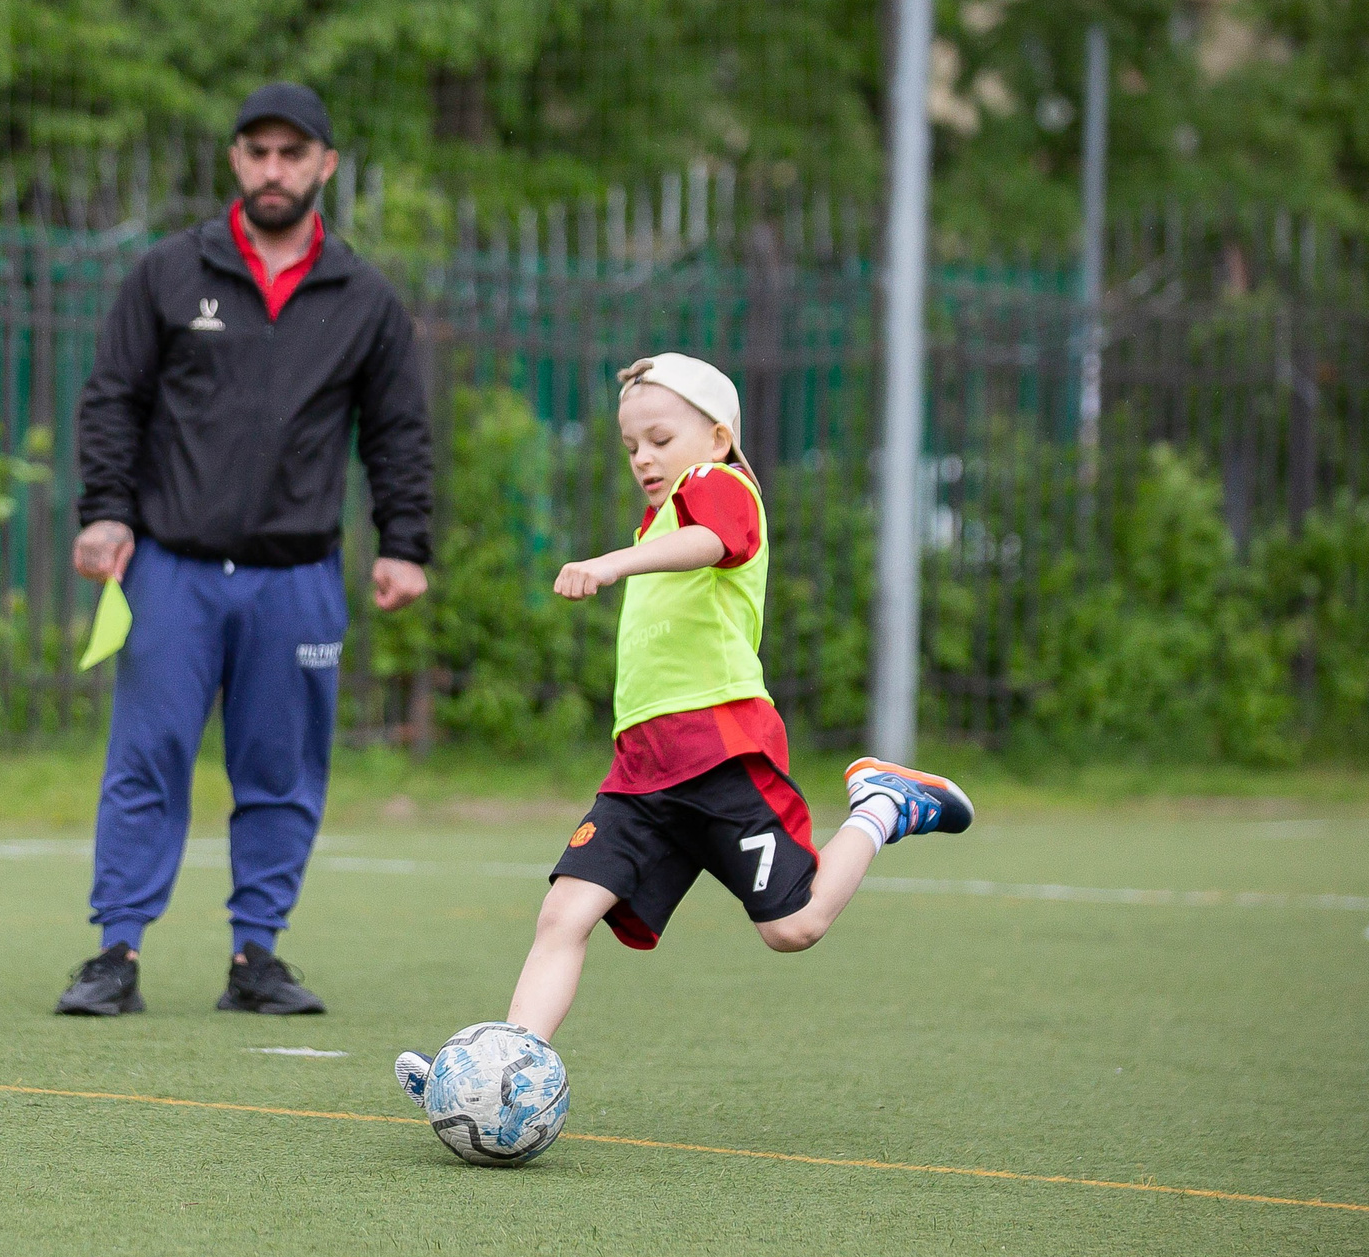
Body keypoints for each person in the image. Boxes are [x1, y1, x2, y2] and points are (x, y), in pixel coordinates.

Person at [391, 353, 974, 1098]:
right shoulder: (662, 515)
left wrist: (610, 563)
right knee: (564, 910)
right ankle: (503, 1071)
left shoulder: (721, 487)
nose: (643, 458)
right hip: (640, 770)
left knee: (793, 926)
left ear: (719, 434)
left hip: (720, 753)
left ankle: (884, 805)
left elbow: (715, 542)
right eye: (631, 445)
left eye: (660, 438)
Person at [56, 82, 433, 1018]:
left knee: (283, 771)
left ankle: (255, 958)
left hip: (297, 579)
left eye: (292, 154)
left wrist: (405, 543)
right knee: (146, 760)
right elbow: (113, 401)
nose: (274, 169)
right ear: (235, 161)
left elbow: (398, 432)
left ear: (325, 167)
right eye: (258, 152)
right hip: (171, 571)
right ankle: (115, 952)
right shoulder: (167, 275)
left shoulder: (365, 299)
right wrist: (104, 512)